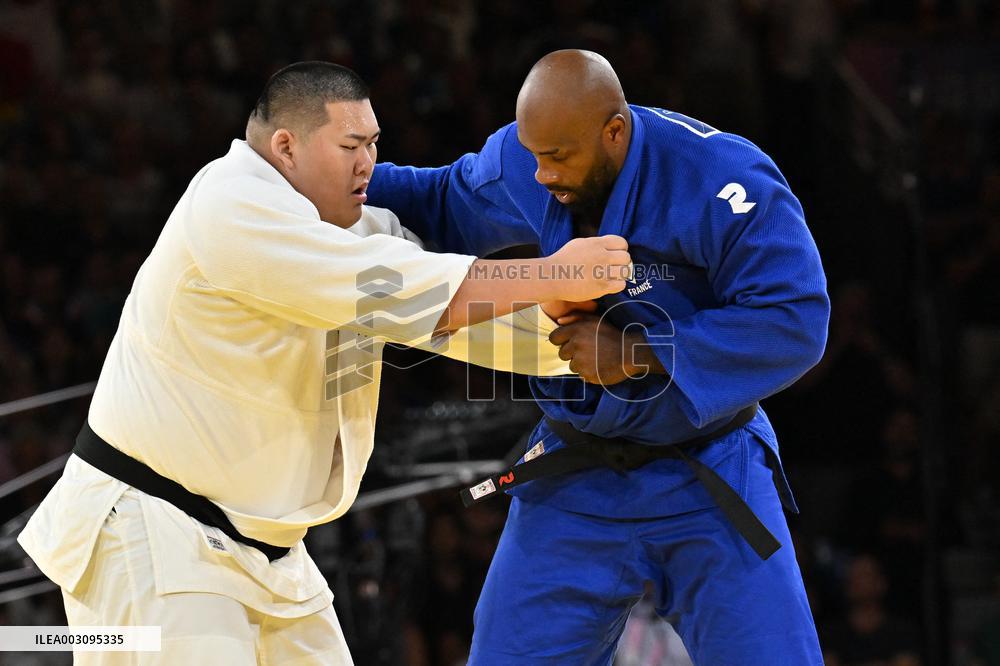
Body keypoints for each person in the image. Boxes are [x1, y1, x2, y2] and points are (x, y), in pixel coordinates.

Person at [17, 61, 632, 665]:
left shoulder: (356, 229)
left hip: (270, 553)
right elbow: (387, 286)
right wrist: (555, 271)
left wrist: (608, 350)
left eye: (373, 143)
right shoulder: (228, 204)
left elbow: (445, 316)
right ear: (285, 146)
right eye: (350, 145)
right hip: (155, 536)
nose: (368, 163)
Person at [366, 49, 831, 664]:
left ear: (615, 132)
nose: (540, 175)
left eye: (557, 158)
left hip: (709, 468)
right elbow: (440, 199)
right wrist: (330, 182)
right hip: (577, 466)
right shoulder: (531, 156)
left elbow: (794, 318)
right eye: (532, 156)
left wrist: (637, 351)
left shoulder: (721, 177)